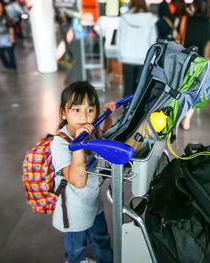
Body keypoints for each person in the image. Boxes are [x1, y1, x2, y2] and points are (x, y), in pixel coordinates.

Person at [50, 81, 115, 263]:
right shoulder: (60, 142)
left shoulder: (90, 130)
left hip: (93, 202)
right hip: (73, 209)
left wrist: (108, 119)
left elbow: (103, 144)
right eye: (76, 110)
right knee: (76, 247)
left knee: (101, 239)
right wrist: (78, 143)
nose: (84, 116)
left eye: (90, 110)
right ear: (64, 112)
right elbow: (77, 181)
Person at [175, 0, 210, 130]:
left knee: (179, 89)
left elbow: (178, 36)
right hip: (199, 62)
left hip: (184, 59)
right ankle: (187, 121)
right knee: (194, 92)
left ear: (196, 6)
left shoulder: (186, 20)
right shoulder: (208, 24)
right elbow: (205, 40)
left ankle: (175, 117)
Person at [117, 0, 157, 98]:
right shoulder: (150, 18)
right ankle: (137, 112)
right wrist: (152, 59)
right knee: (141, 88)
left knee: (128, 87)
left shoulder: (124, 18)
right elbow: (152, 40)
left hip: (127, 57)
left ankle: (127, 110)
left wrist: (120, 56)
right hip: (144, 58)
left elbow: (119, 38)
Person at [0, 1, 17, 71]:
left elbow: (11, 27)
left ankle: (12, 66)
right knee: (0, 53)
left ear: (2, 8)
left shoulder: (6, 17)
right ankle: (6, 65)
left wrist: (11, 38)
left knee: (10, 53)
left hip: (7, 37)